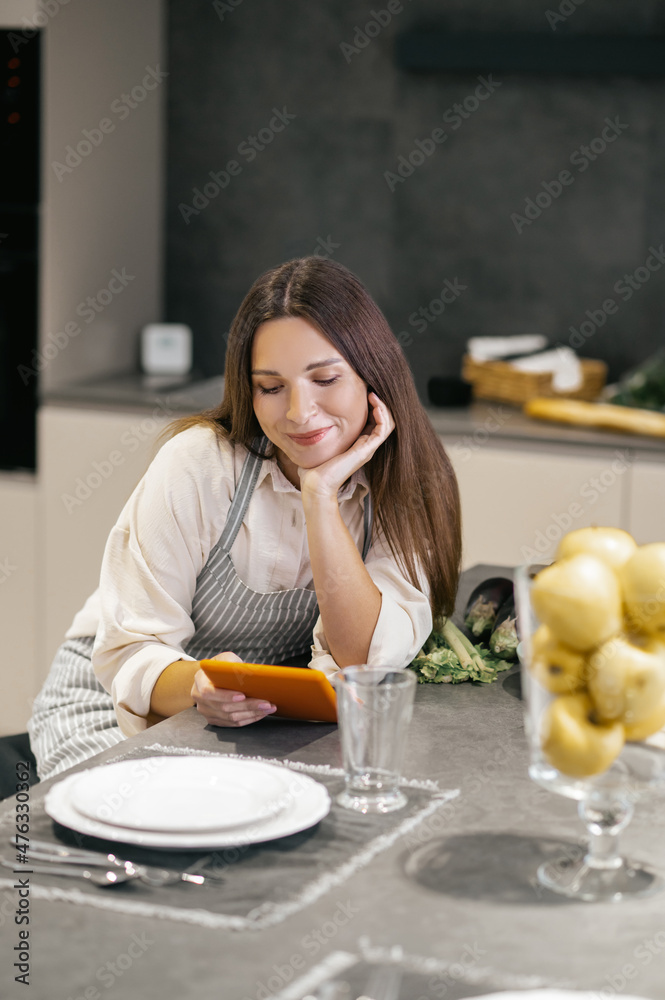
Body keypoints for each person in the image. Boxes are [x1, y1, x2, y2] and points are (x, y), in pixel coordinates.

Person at [28, 256, 462, 780]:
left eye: (325, 378)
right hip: (112, 715)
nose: (300, 412)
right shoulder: (199, 465)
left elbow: (361, 665)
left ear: (374, 377)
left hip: (258, 731)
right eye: (271, 388)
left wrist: (320, 494)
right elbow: (132, 650)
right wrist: (198, 687)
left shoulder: (402, 492)